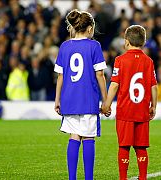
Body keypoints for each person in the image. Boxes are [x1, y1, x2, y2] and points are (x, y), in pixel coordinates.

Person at [53, 10, 109, 180]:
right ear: (90, 28)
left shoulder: (64, 46)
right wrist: (106, 100)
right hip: (88, 99)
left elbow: (60, 76)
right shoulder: (94, 46)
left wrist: (57, 99)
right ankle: (89, 178)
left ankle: (72, 178)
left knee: (74, 136)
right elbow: (100, 75)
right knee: (88, 137)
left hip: (69, 99)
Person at [102, 25, 158, 180]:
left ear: (126, 42)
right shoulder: (149, 61)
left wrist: (106, 104)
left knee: (124, 146)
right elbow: (154, 86)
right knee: (141, 147)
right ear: (144, 42)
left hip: (125, 111)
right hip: (141, 110)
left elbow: (114, 85)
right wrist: (153, 106)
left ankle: (123, 178)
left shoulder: (120, 60)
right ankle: (143, 177)